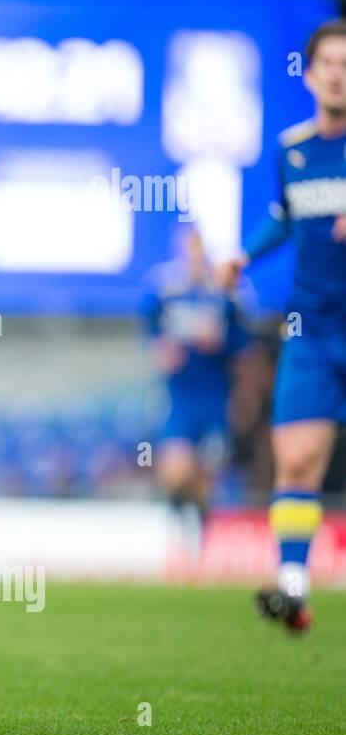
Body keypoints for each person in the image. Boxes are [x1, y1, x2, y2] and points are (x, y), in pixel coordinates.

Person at [217, 18, 346, 634]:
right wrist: (244, 254)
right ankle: (293, 588)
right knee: (296, 458)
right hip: (315, 329)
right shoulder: (293, 149)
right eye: (329, 63)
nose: (338, 74)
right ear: (312, 72)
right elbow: (284, 217)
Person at [140, 227, 249, 552]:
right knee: (176, 470)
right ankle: (178, 534)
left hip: (215, 397)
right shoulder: (164, 291)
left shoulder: (225, 295)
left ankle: (201, 544)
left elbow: (243, 344)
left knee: (207, 476)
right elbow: (149, 331)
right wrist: (159, 348)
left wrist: (220, 343)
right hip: (180, 398)